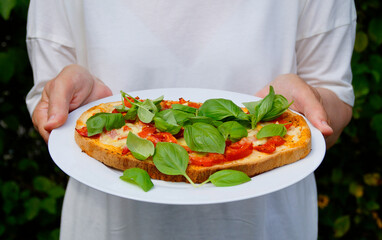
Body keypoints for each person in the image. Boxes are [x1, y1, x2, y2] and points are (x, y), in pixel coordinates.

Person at [26, 1, 356, 239]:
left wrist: (310, 107)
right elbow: (47, 102)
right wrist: (68, 100)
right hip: (110, 227)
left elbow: (334, 98)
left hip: (266, 227)